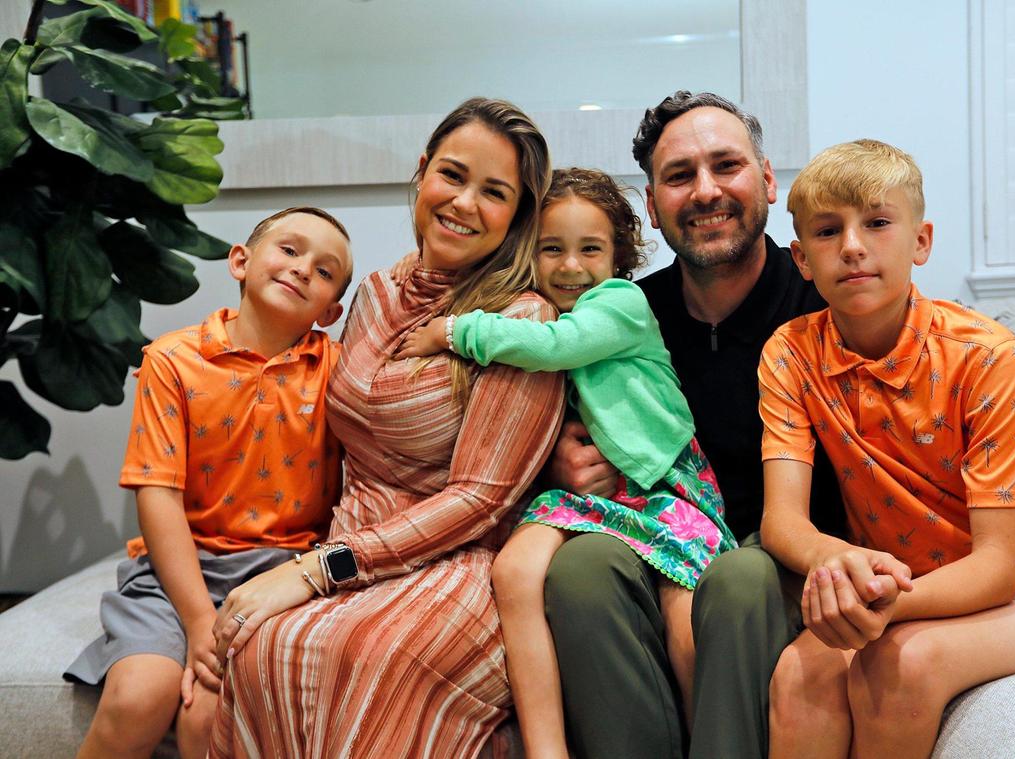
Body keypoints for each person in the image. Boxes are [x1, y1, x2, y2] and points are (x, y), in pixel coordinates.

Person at [544, 91, 1015, 759]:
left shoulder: (843, 303)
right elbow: (548, 380)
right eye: (680, 175)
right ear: (652, 205)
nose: (706, 189)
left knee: (740, 579)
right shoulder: (631, 319)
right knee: (580, 567)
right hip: (699, 534)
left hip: (794, 565)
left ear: (767, 180)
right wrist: (559, 456)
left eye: (726, 165)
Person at [207, 97, 565, 759]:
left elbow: (482, 498)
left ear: (517, 216)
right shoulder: (373, 292)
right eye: (453, 175)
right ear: (423, 170)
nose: (463, 203)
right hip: (351, 536)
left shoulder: (523, 320)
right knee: (262, 648)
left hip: (459, 559)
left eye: (494, 192)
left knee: (363, 657)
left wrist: (318, 570)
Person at [760, 138, 1015, 758]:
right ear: (800, 259)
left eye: (877, 223)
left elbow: (1000, 565)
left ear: (921, 241)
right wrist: (841, 565)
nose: (852, 246)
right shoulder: (790, 353)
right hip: (888, 581)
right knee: (802, 671)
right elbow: (783, 520)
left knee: (903, 663)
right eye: (827, 232)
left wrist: (881, 603)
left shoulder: (986, 355)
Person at [397, 167, 737, 759]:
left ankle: (706, 743)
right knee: (514, 571)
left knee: (685, 618)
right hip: (595, 497)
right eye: (551, 248)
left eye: (590, 249)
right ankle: (546, 748)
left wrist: (453, 331)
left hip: (665, 485)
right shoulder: (532, 308)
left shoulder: (620, 303)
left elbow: (560, 348)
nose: (570, 267)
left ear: (618, 258)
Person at [66, 207, 354, 759]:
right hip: (176, 570)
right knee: (137, 698)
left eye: (324, 271)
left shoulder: (338, 373)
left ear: (331, 308)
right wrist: (200, 621)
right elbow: (157, 493)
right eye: (289, 251)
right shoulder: (173, 360)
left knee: (209, 716)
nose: (302, 270)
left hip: (282, 571)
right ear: (241, 262)